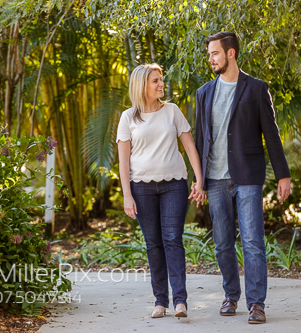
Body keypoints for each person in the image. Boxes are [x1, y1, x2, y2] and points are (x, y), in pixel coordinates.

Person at [194, 32, 291, 325]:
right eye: (210, 54)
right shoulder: (203, 93)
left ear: (231, 53)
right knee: (223, 243)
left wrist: (283, 174)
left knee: (252, 241)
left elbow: (271, 135)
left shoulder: (256, 89)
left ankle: (257, 304)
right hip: (214, 178)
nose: (211, 59)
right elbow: (201, 140)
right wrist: (198, 180)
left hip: (248, 175)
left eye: (215, 53)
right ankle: (231, 296)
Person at [117, 63, 206, 319]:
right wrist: (126, 195)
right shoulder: (128, 117)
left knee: (172, 240)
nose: (160, 84)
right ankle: (160, 301)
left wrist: (199, 180)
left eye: (161, 80)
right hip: (141, 188)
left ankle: (180, 301)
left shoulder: (172, 111)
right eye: (155, 80)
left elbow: (190, 148)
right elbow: (123, 161)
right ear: (142, 85)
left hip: (173, 185)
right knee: (153, 244)